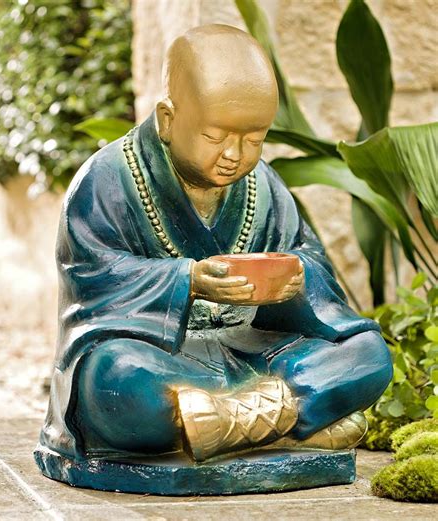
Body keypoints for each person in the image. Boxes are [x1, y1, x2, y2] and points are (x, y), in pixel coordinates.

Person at [37, 25, 392, 465]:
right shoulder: (106, 180)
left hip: (254, 355)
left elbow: (306, 256)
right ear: (168, 120)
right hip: (163, 356)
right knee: (114, 379)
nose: (234, 155)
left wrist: (297, 277)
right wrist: (188, 280)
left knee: (367, 354)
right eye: (215, 136)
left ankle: (223, 426)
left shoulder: (263, 186)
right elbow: (92, 278)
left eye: (254, 140)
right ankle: (294, 423)